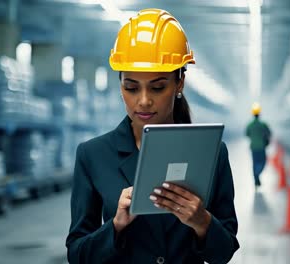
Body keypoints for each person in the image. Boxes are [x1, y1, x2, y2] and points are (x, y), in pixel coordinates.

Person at [66, 8, 239, 264]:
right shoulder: (93, 155)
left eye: (158, 87)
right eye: (131, 88)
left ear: (179, 83)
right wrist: (115, 226)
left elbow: (223, 252)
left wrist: (202, 221)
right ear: (120, 85)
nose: (144, 101)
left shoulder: (212, 153)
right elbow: (77, 255)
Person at [245, 102, 271, 188]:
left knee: (255, 163)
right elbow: (269, 133)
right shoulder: (263, 124)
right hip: (261, 147)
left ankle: (256, 178)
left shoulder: (250, 125)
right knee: (263, 162)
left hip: (253, 147)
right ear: (259, 114)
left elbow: (247, 134)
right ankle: (257, 175)